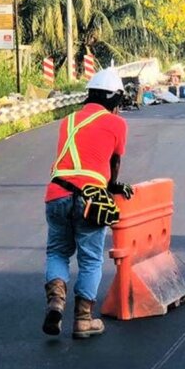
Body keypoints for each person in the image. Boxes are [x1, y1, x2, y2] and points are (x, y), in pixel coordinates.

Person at [42, 67, 134, 339]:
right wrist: (112, 185)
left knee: (57, 252)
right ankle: (83, 320)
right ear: (114, 98)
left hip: (57, 193)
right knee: (91, 259)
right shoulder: (117, 123)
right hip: (90, 197)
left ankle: (56, 301)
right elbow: (114, 161)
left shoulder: (68, 121)